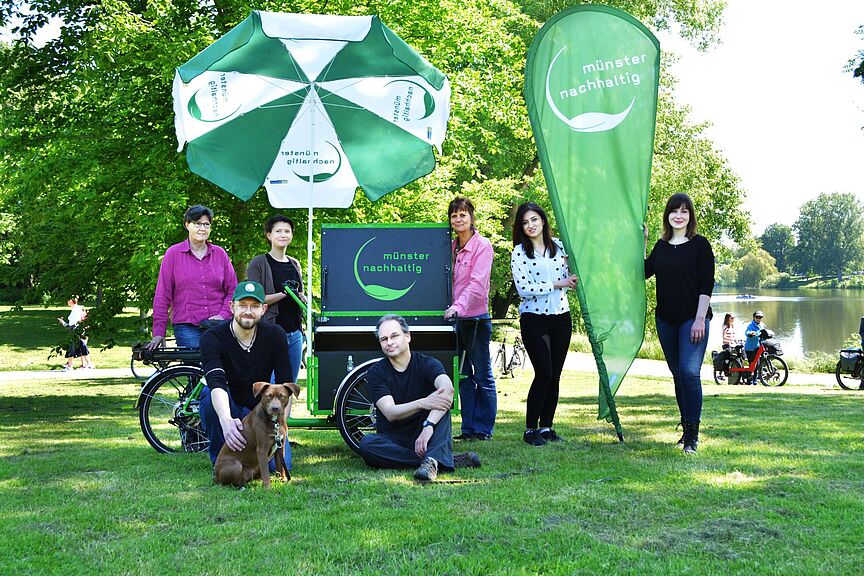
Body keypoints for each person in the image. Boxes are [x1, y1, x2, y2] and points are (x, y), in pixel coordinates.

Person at [358, 314, 481, 482]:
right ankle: (439, 459)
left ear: (407, 336)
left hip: (427, 433)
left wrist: (428, 425)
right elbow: (390, 412)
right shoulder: (376, 372)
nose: (389, 342)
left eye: (394, 336)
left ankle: (432, 460)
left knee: (441, 404)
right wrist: (422, 402)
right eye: (384, 339)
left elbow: (448, 389)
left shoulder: (428, 363)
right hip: (395, 439)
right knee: (367, 445)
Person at [198, 280, 295, 473]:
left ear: (264, 309)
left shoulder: (275, 335)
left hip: (261, 411)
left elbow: (286, 385)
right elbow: (216, 383)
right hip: (230, 405)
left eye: (254, 306)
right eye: (242, 305)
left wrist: (281, 426)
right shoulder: (212, 337)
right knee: (209, 394)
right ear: (232, 306)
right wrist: (226, 420)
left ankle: (250, 460)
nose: (248, 311)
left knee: (279, 466)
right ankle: (221, 459)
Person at [644, 193, 715, 454]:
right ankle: (686, 430)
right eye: (674, 211)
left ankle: (693, 437)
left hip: (692, 319)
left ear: (690, 216)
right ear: (667, 215)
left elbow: (707, 285)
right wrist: (640, 243)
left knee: (688, 372)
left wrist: (699, 319)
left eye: (685, 211)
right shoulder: (661, 247)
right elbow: (643, 272)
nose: (679, 215)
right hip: (665, 320)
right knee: (677, 375)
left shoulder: (700, 245)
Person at [510, 202, 578, 447]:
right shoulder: (519, 253)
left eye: (534, 220)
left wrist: (571, 280)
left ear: (543, 221)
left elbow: (573, 275)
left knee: (556, 375)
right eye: (525, 222)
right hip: (534, 319)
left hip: (561, 316)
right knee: (544, 372)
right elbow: (524, 290)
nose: (530, 226)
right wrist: (558, 283)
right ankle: (530, 429)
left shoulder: (559, 246)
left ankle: (547, 426)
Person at [147, 205, 238, 350]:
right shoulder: (173, 254)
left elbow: (233, 289)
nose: (202, 228)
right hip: (187, 326)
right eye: (197, 223)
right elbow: (162, 294)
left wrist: (223, 314)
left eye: (206, 224)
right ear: (187, 225)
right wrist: (159, 332)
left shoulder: (220, 254)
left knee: (221, 369)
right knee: (196, 370)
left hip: (219, 325)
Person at [443, 197, 497, 442]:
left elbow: (477, 285)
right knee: (463, 375)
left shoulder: (482, 246)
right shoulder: (450, 247)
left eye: (463, 214)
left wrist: (458, 307)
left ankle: (483, 429)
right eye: (454, 215)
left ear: (471, 217)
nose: (458, 219)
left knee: (482, 375)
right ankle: (467, 429)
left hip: (475, 318)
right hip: (455, 320)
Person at [246, 214, 305, 383]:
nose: (283, 234)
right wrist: (284, 294)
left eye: (287, 231)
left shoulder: (295, 264)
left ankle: (287, 411)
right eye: (278, 231)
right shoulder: (258, 263)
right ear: (269, 235)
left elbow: (299, 294)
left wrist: (302, 298)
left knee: (289, 385)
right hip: (269, 331)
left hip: (295, 333)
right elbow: (255, 300)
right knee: (270, 386)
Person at [57, 296, 94, 370]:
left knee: (73, 347)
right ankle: (87, 364)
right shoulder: (77, 308)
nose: (67, 302)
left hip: (76, 331)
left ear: (71, 301)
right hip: (76, 330)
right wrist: (63, 323)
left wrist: (63, 323)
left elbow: (73, 324)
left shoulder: (76, 310)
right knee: (80, 347)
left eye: (68, 300)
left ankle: (70, 366)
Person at [744, 310, 766, 385]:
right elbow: (747, 332)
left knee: (758, 364)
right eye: (757, 317)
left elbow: (764, 333)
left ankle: (755, 380)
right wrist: (750, 334)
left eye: (760, 317)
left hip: (758, 347)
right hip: (750, 348)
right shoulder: (751, 325)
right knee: (752, 364)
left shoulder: (762, 325)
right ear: (754, 317)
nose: (758, 319)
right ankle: (749, 380)